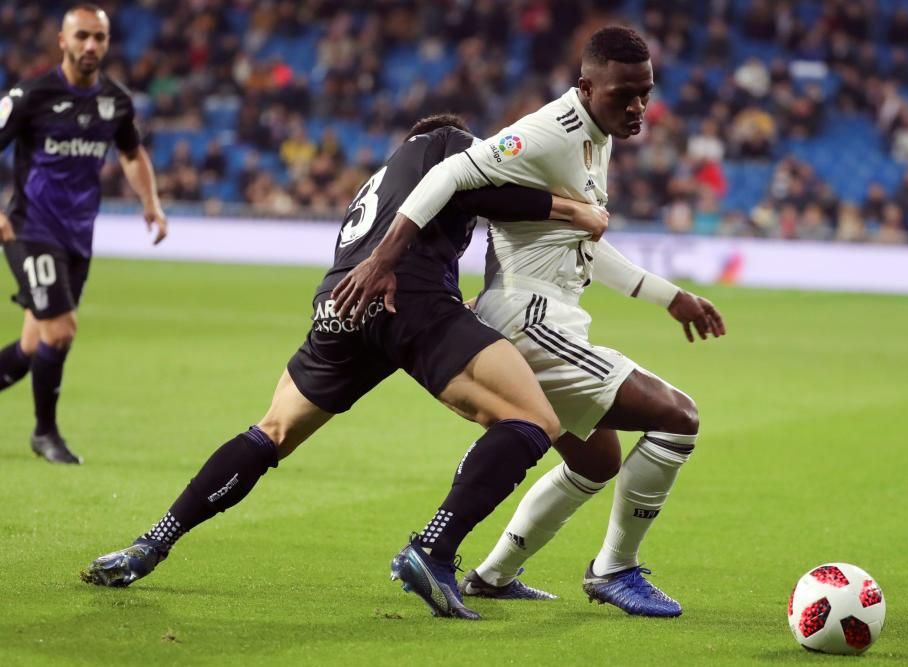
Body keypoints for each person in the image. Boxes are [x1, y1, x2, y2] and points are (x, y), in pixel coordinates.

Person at [80, 113, 609, 622]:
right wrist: (568, 208)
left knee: (272, 431)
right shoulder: (444, 144)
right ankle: (435, 548)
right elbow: (479, 189)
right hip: (406, 299)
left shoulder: (378, 183)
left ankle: (153, 541)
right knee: (531, 418)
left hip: (339, 305)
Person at [335, 26, 725, 619]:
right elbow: (449, 176)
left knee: (596, 460)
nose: (637, 106)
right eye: (623, 94)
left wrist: (669, 297)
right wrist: (383, 259)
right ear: (585, 87)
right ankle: (614, 570)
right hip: (529, 318)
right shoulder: (551, 131)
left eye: (645, 92)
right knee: (678, 418)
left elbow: (582, 242)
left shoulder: (600, 135)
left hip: (550, 315)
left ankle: (494, 575)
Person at [0, 3, 167, 464]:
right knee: (61, 332)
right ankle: (44, 433)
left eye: (99, 37)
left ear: (108, 42)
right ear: (62, 40)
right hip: (29, 228)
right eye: (82, 36)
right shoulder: (30, 96)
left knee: (33, 347)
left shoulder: (115, 101)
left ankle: (42, 428)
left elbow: (132, 155)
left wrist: (150, 203)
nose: (90, 45)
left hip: (78, 236)